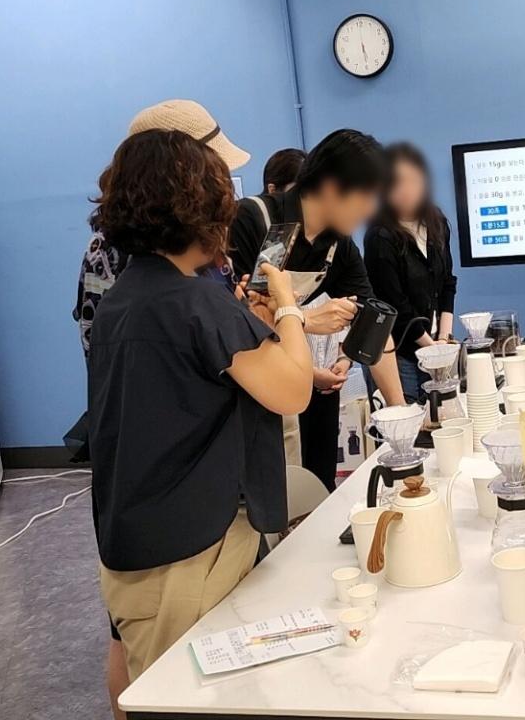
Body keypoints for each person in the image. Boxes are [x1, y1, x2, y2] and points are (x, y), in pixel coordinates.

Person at [88, 128, 312, 684]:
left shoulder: (125, 296)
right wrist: (287, 308)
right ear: (203, 206)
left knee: (146, 680)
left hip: (133, 533)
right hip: (187, 550)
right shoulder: (195, 300)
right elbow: (294, 390)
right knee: (192, 692)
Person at [71, 98, 250, 720]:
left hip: (138, 480)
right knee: (163, 652)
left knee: (131, 632)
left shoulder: (134, 263)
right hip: (167, 485)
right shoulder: (155, 268)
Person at [230, 129, 406, 491]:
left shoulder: (336, 245)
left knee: (316, 490)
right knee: (272, 503)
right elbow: (241, 320)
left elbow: (374, 321)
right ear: (329, 186)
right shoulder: (254, 218)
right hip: (254, 398)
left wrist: (400, 416)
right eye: (365, 195)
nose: (370, 208)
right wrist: (307, 319)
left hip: (307, 387)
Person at [363, 143, 458, 401]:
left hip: (437, 343)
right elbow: (395, 305)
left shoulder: (436, 223)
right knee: (411, 425)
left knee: (445, 416)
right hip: (399, 350)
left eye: (412, 181)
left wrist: (444, 339)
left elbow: (447, 282)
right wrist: (432, 350)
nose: (405, 190)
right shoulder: (380, 237)